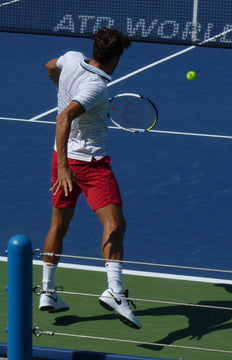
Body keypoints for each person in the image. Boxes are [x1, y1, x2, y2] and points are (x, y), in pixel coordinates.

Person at [38, 28, 141, 330]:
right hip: (89, 164)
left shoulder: (71, 59)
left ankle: (47, 291)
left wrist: (62, 90)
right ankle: (115, 292)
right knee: (115, 224)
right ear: (118, 57)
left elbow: (49, 66)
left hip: (59, 158)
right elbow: (64, 117)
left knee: (59, 224)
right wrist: (68, 168)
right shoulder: (96, 87)